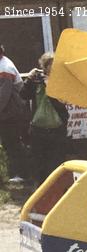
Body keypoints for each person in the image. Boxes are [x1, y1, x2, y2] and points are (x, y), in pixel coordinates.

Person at [20, 53, 69, 183]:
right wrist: (29, 79)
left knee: (56, 164)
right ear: (44, 67)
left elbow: (63, 102)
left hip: (56, 129)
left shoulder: (62, 82)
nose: (52, 70)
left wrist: (50, 86)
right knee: (39, 166)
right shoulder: (37, 81)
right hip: (38, 130)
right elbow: (23, 95)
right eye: (49, 66)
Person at [0, 44, 28, 184]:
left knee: (13, 143)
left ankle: (20, 173)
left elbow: (3, 97)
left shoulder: (5, 68)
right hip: (7, 113)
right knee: (10, 143)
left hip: (10, 113)